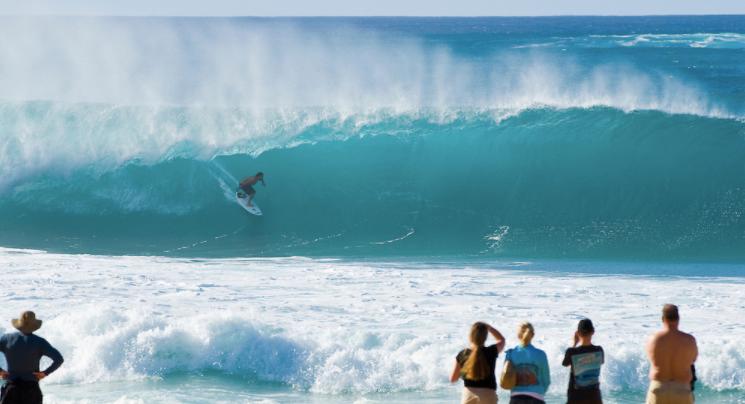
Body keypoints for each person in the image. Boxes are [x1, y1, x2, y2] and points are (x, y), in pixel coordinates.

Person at [0, 311, 64, 404]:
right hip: (31, 390)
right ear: (34, 325)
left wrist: (1, 371)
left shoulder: (6, 339)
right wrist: (45, 373)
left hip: (11, 389)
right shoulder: (40, 342)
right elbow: (59, 359)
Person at [645, 304, 697, 404]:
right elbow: (693, 359)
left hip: (659, 388)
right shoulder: (689, 340)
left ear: (663, 319)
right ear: (678, 318)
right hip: (682, 389)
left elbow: (652, 359)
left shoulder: (654, 339)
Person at [450, 322, 507, 404]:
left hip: (469, 395)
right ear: (485, 337)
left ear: (470, 336)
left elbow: (453, 379)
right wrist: (489, 327)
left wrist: (464, 373)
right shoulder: (491, 351)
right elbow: (502, 340)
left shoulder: (463, 354)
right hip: (488, 395)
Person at [504, 322, 550, 404]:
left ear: (518, 335)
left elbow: (506, 378)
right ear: (532, 335)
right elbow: (546, 380)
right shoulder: (540, 354)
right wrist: (539, 393)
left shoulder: (510, 354)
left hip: (516, 398)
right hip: (536, 398)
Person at [562, 319, 604, 404]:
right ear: (593, 332)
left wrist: (574, 343)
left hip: (576, 396)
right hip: (594, 396)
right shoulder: (599, 350)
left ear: (578, 333)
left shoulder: (572, 352)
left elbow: (565, 364)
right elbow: (601, 362)